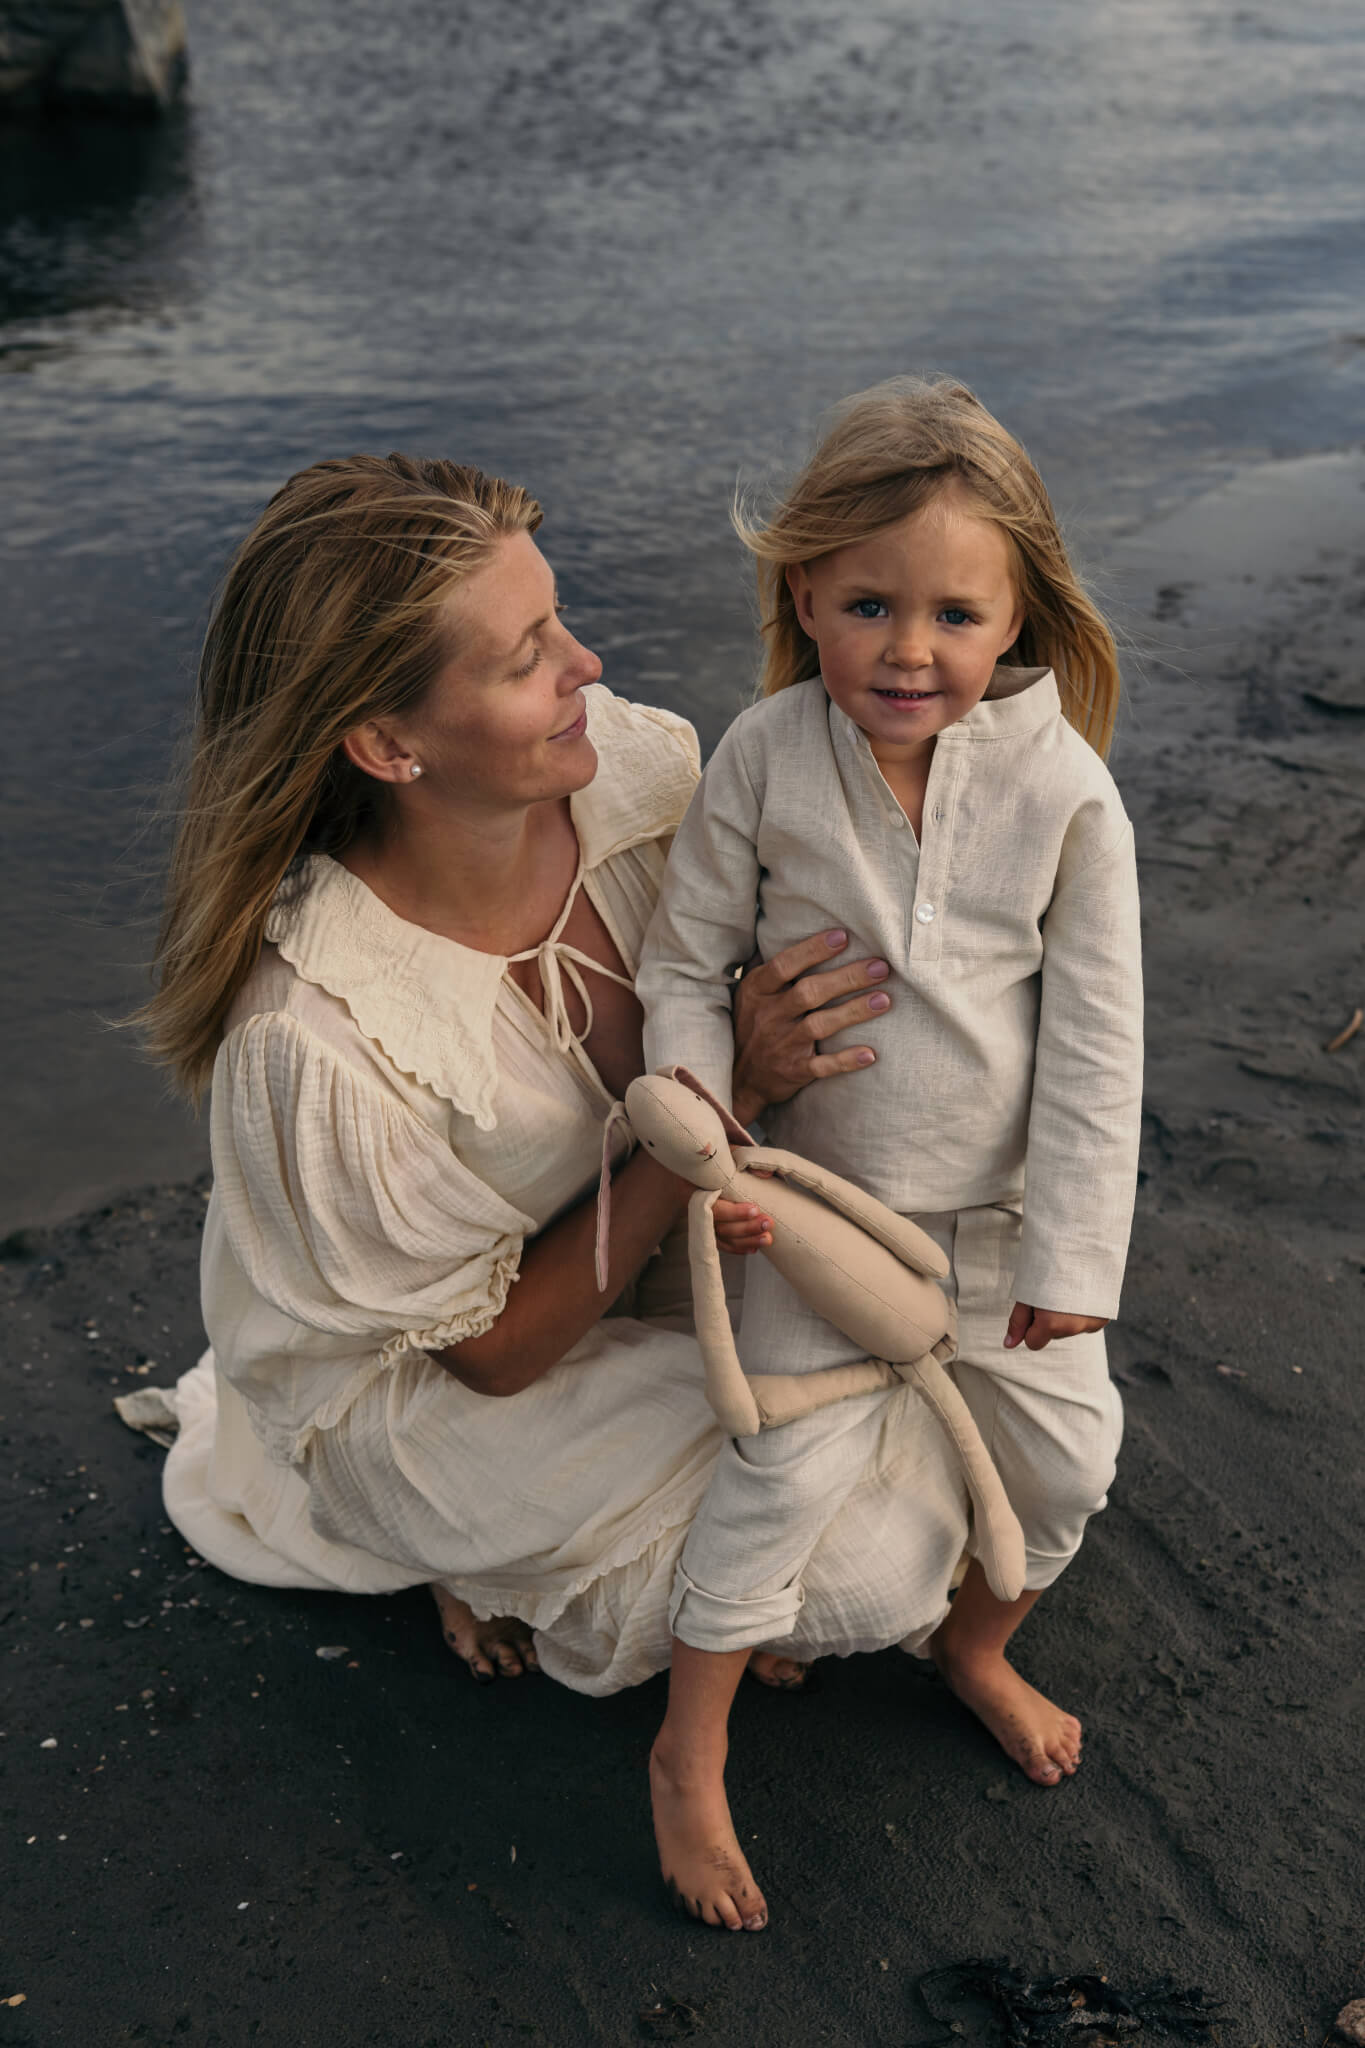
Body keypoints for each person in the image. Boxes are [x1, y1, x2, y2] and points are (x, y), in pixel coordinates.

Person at [131, 452, 980, 1930]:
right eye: (529, 657)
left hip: (638, 1233)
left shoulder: (638, 777)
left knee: (967, 1430)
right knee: (879, 1568)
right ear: (388, 747)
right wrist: (717, 1112)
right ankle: (458, 1554)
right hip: (439, 1378)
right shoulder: (312, 1041)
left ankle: (577, 1556)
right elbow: (491, 1352)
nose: (587, 662)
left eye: (560, 617)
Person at [637, 376, 1143, 1930]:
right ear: (803, 591)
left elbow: (1098, 1050)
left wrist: (1068, 1261)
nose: (905, 649)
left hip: (996, 1225)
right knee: (775, 1467)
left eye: (949, 613)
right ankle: (689, 1744)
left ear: (1017, 617)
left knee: (1067, 1461)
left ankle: (976, 1645)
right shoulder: (768, 753)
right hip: (812, 1207)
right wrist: (708, 1113)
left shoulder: (1065, 792)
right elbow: (681, 958)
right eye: (865, 604)